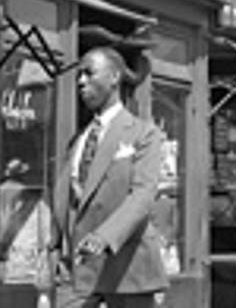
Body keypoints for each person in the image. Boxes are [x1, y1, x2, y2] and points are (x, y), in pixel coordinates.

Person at [51, 46, 168, 308]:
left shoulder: (143, 133)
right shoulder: (79, 139)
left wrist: (104, 237)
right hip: (78, 269)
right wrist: (52, 246)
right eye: (80, 74)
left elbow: (143, 195)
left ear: (114, 77)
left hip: (127, 266)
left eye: (90, 73)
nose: (81, 81)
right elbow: (67, 196)